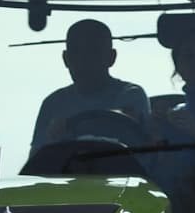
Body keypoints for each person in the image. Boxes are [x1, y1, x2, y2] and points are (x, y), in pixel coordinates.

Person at [30, 19, 150, 150]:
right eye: (76, 53)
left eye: (94, 52)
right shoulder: (53, 104)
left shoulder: (131, 95)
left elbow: (141, 153)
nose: (84, 61)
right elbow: (36, 161)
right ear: (65, 58)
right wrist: (53, 140)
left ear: (111, 57)